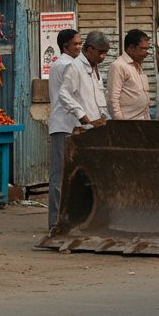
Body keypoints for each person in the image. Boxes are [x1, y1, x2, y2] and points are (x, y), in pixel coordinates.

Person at [47, 28, 89, 230]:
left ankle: (62, 218)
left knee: (64, 174)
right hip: (66, 124)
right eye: (76, 44)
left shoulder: (61, 64)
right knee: (61, 175)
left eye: (80, 44)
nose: (79, 47)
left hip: (68, 124)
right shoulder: (67, 65)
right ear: (65, 47)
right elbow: (71, 97)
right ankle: (57, 221)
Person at [108, 29, 153, 121]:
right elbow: (113, 100)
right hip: (128, 123)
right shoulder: (119, 66)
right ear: (131, 48)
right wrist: (121, 124)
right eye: (143, 48)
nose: (147, 52)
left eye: (147, 49)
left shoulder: (138, 64)